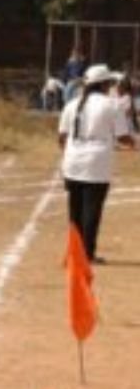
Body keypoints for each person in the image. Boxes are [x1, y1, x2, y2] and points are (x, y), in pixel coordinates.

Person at [58, 64, 135, 263]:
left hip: (72, 161)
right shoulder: (112, 105)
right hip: (97, 163)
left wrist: (73, 152)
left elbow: (62, 137)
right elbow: (123, 137)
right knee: (92, 211)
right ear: (104, 84)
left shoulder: (72, 104)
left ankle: (74, 252)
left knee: (75, 211)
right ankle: (87, 253)